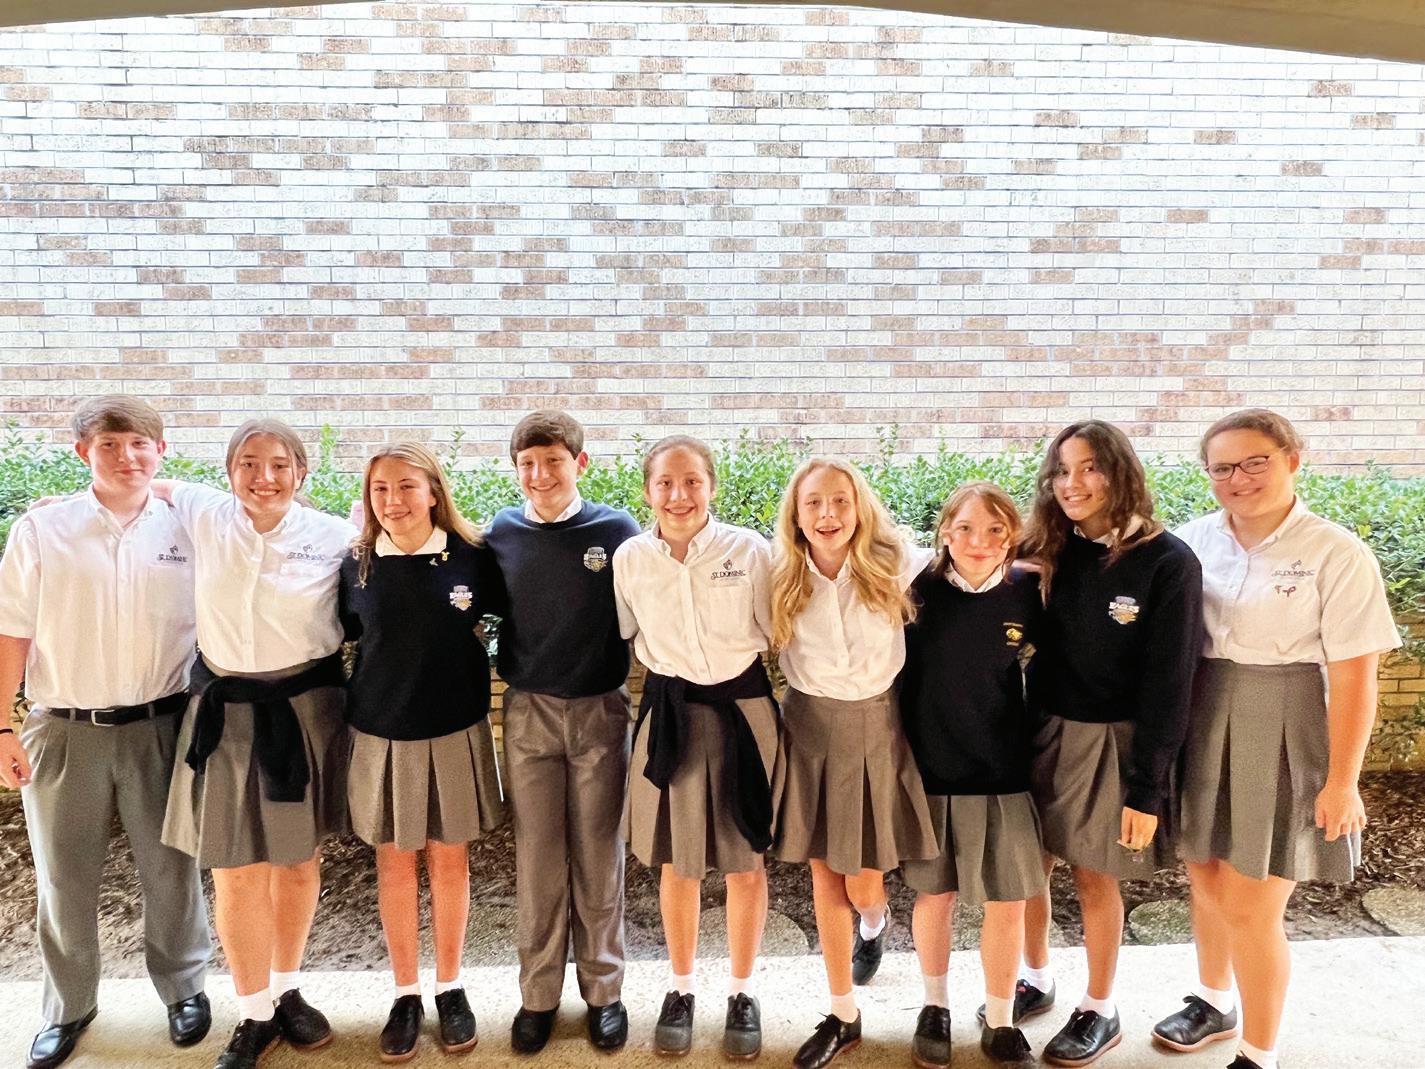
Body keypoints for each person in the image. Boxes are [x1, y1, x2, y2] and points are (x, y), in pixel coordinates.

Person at [1152, 409, 1399, 1069]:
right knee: (1205, 874)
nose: (1238, 478)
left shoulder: (1335, 552)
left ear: (1293, 458)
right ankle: (1213, 1001)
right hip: (1200, 713)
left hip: (1286, 720)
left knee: (1251, 900)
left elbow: (1355, 677)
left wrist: (1342, 781)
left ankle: (1259, 1053)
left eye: (1254, 461)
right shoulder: (1189, 542)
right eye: (1222, 467)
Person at [0, 396, 212, 1069]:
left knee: (171, 865)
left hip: (162, 724)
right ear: (82, 452)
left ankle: (184, 988)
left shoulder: (189, 526)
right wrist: (0, 725)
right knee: (64, 875)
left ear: (162, 449)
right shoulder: (43, 529)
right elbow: (11, 630)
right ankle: (68, 1005)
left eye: (140, 444)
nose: (127, 457)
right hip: (64, 729)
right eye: (110, 445)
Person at [157, 418, 356, 1069]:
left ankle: (286, 988)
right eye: (248, 463)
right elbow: (144, 485)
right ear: (228, 471)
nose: (263, 477)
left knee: (296, 861)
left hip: (304, 712)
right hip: (225, 714)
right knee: (235, 868)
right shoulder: (204, 511)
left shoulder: (335, 536)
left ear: (301, 472)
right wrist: (63, 506)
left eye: (278, 465)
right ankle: (253, 1013)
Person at [1019, 419, 1204, 1067]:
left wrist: (1146, 788)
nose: (1072, 483)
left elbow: (1171, 683)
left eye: (1089, 467)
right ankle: (1035, 975)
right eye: (1062, 470)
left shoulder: (1167, 562)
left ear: (1120, 472)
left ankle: (1099, 1006)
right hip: (1039, 732)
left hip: (1112, 742)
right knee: (1028, 867)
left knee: (1095, 876)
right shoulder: (1046, 549)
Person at [612, 434, 779, 1061]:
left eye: (691, 482)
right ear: (647, 491)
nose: (678, 495)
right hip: (672, 716)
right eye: (665, 483)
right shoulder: (630, 559)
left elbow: (772, 630)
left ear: (711, 486)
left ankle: (742, 990)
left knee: (745, 859)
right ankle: (680, 988)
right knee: (678, 863)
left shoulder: (749, 550)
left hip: (743, 714)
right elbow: (629, 631)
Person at [339, 443, 507, 1061]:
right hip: (381, 732)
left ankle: (450, 987)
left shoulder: (473, 556)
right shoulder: (356, 564)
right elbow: (346, 636)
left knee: (450, 862)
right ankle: (405, 993)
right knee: (394, 864)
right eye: (380, 489)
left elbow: (507, 620)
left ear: (434, 491)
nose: (394, 501)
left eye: (407, 486)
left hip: (454, 728)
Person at [481, 410, 641, 1054]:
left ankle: (605, 991)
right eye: (528, 464)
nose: (540, 474)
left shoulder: (616, 530)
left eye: (553, 461)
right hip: (529, 712)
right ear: (516, 469)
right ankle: (539, 995)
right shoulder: (502, 533)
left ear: (580, 463)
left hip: (600, 709)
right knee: (539, 858)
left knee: (600, 854)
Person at [768, 457, 937, 1069]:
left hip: (874, 725)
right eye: (813, 502)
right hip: (808, 727)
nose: (828, 514)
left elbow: (983, 563)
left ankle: (874, 919)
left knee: (862, 878)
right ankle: (842, 1012)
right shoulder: (778, 572)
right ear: (796, 515)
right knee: (823, 873)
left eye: (840, 500)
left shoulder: (899, 563)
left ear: (859, 507)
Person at [899, 482, 1048, 1069]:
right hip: (932, 770)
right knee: (935, 894)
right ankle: (934, 1006)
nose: (978, 542)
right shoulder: (916, 590)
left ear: (1012, 536)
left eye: (994, 530)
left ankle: (1002, 1017)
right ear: (944, 531)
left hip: (1003, 771)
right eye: (964, 528)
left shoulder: (1027, 591)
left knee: (1008, 899)